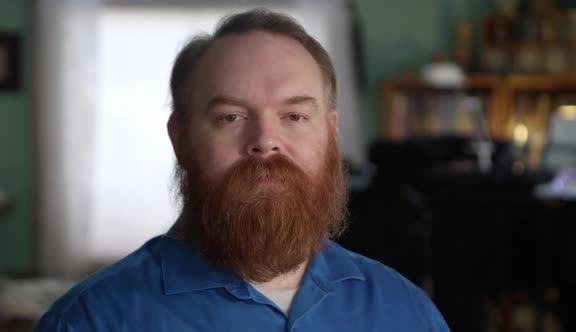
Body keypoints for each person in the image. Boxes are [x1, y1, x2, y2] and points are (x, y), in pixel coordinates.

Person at [35, 8, 450, 331]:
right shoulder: (88, 322)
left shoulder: (407, 312)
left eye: (295, 116)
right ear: (180, 138)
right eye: (231, 117)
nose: (265, 140)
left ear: (331, 134)